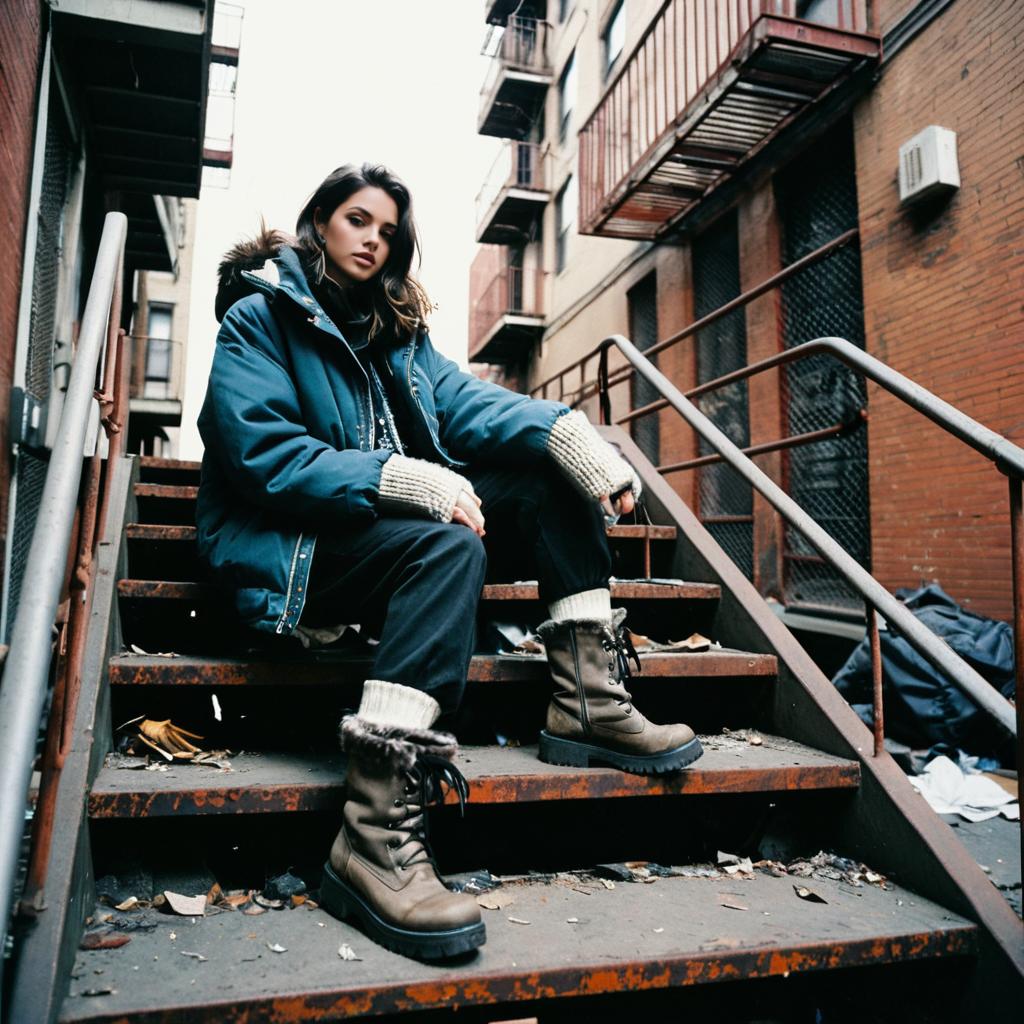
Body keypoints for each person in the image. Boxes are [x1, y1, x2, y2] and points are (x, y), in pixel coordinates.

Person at [196, 163, 703, 961]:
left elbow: (469, 405)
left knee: (547, 475)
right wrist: (399, 478)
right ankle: (371, 837)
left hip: (380, 534)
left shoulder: (397, 335)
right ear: (319, 221)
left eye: (388, 231)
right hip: (290, 546)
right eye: (358, 220)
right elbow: (263, 455)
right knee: (447, 543)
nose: (373, 240)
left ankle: (589, 704)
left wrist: (565, 431)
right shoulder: (259, 319)